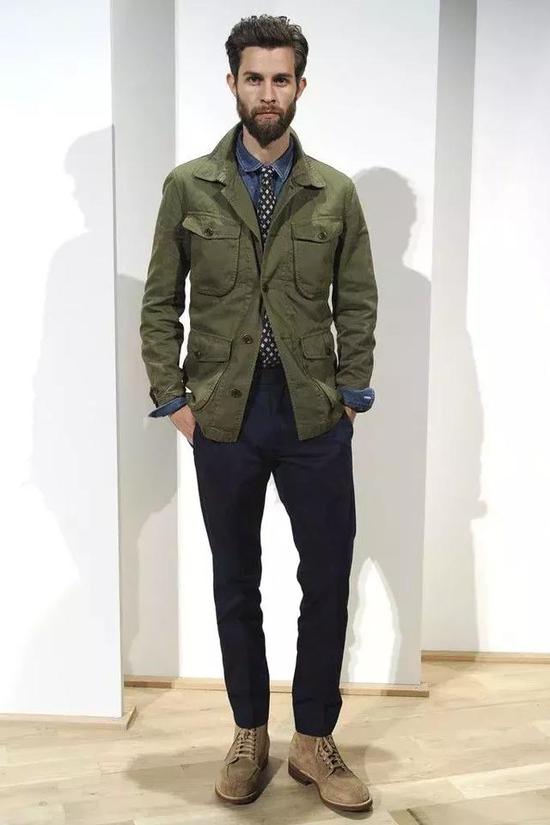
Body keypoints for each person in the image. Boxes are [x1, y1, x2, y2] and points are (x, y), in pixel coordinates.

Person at [140, 13, 377, 813]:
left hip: (313, 414)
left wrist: (351, 395)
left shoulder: (334, 192)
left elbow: (359, 301)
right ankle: (250, 732)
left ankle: (314, 739)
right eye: (254, 78)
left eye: (281, 79)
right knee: (235, 579)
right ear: (233, 83)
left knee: (327, 576)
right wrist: (175, 400)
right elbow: (159, 303)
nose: (268, 93)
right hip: (225, 414)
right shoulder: (189, 186)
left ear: (300, 86)